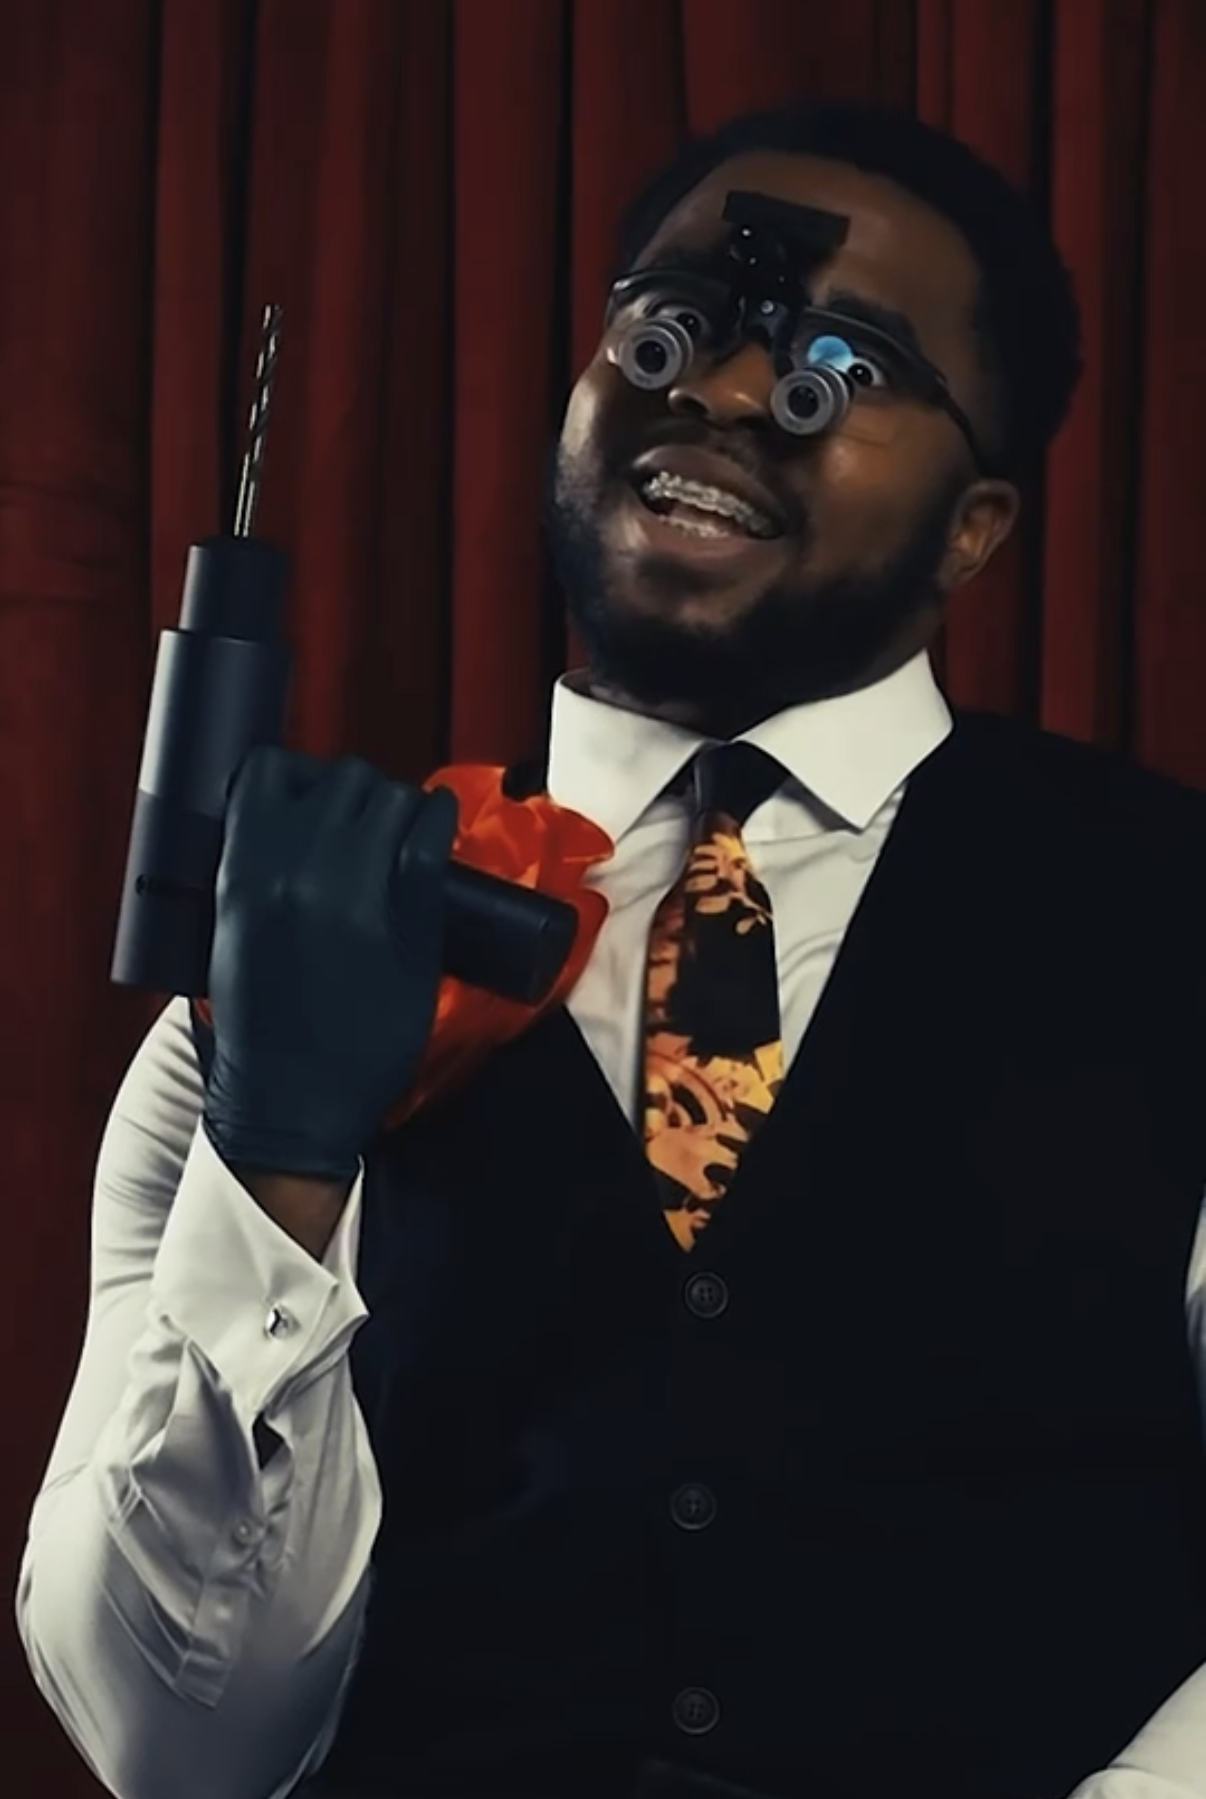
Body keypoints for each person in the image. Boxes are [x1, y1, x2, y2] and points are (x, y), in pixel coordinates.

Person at [16, 95, 1206, 1799]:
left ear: (975, 528)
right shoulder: (277, 971)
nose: (721, 392)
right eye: (673, 324)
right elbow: (171, 1742)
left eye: (837, 367)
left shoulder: (1172, 926)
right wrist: (275, 1163)